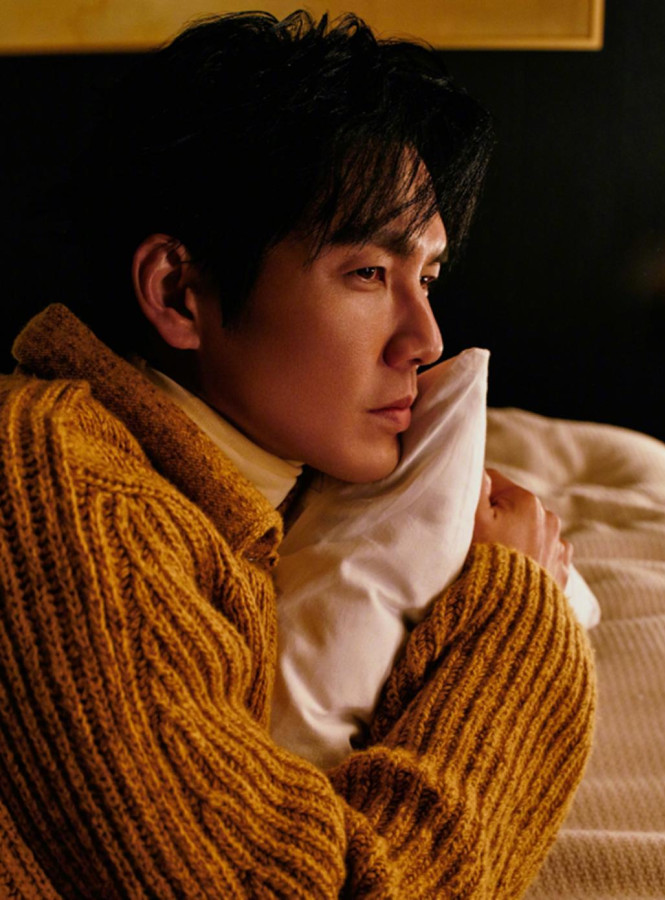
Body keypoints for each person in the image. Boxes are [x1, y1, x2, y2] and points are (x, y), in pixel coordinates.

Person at [0, 10, 595, 898]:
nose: (426, 339)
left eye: (427, 278)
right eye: (368, 274)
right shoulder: (69, 489)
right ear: (179, 293)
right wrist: (517, 622)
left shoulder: (222, 491)